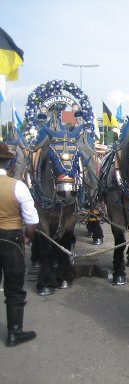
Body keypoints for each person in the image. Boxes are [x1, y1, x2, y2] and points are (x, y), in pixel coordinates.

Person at [0, 144, 39, 347]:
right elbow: (31, 221)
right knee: (14, 288)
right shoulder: (17, 186)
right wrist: (27, 237)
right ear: (9, 163)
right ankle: (14, 332)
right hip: (11, 239)